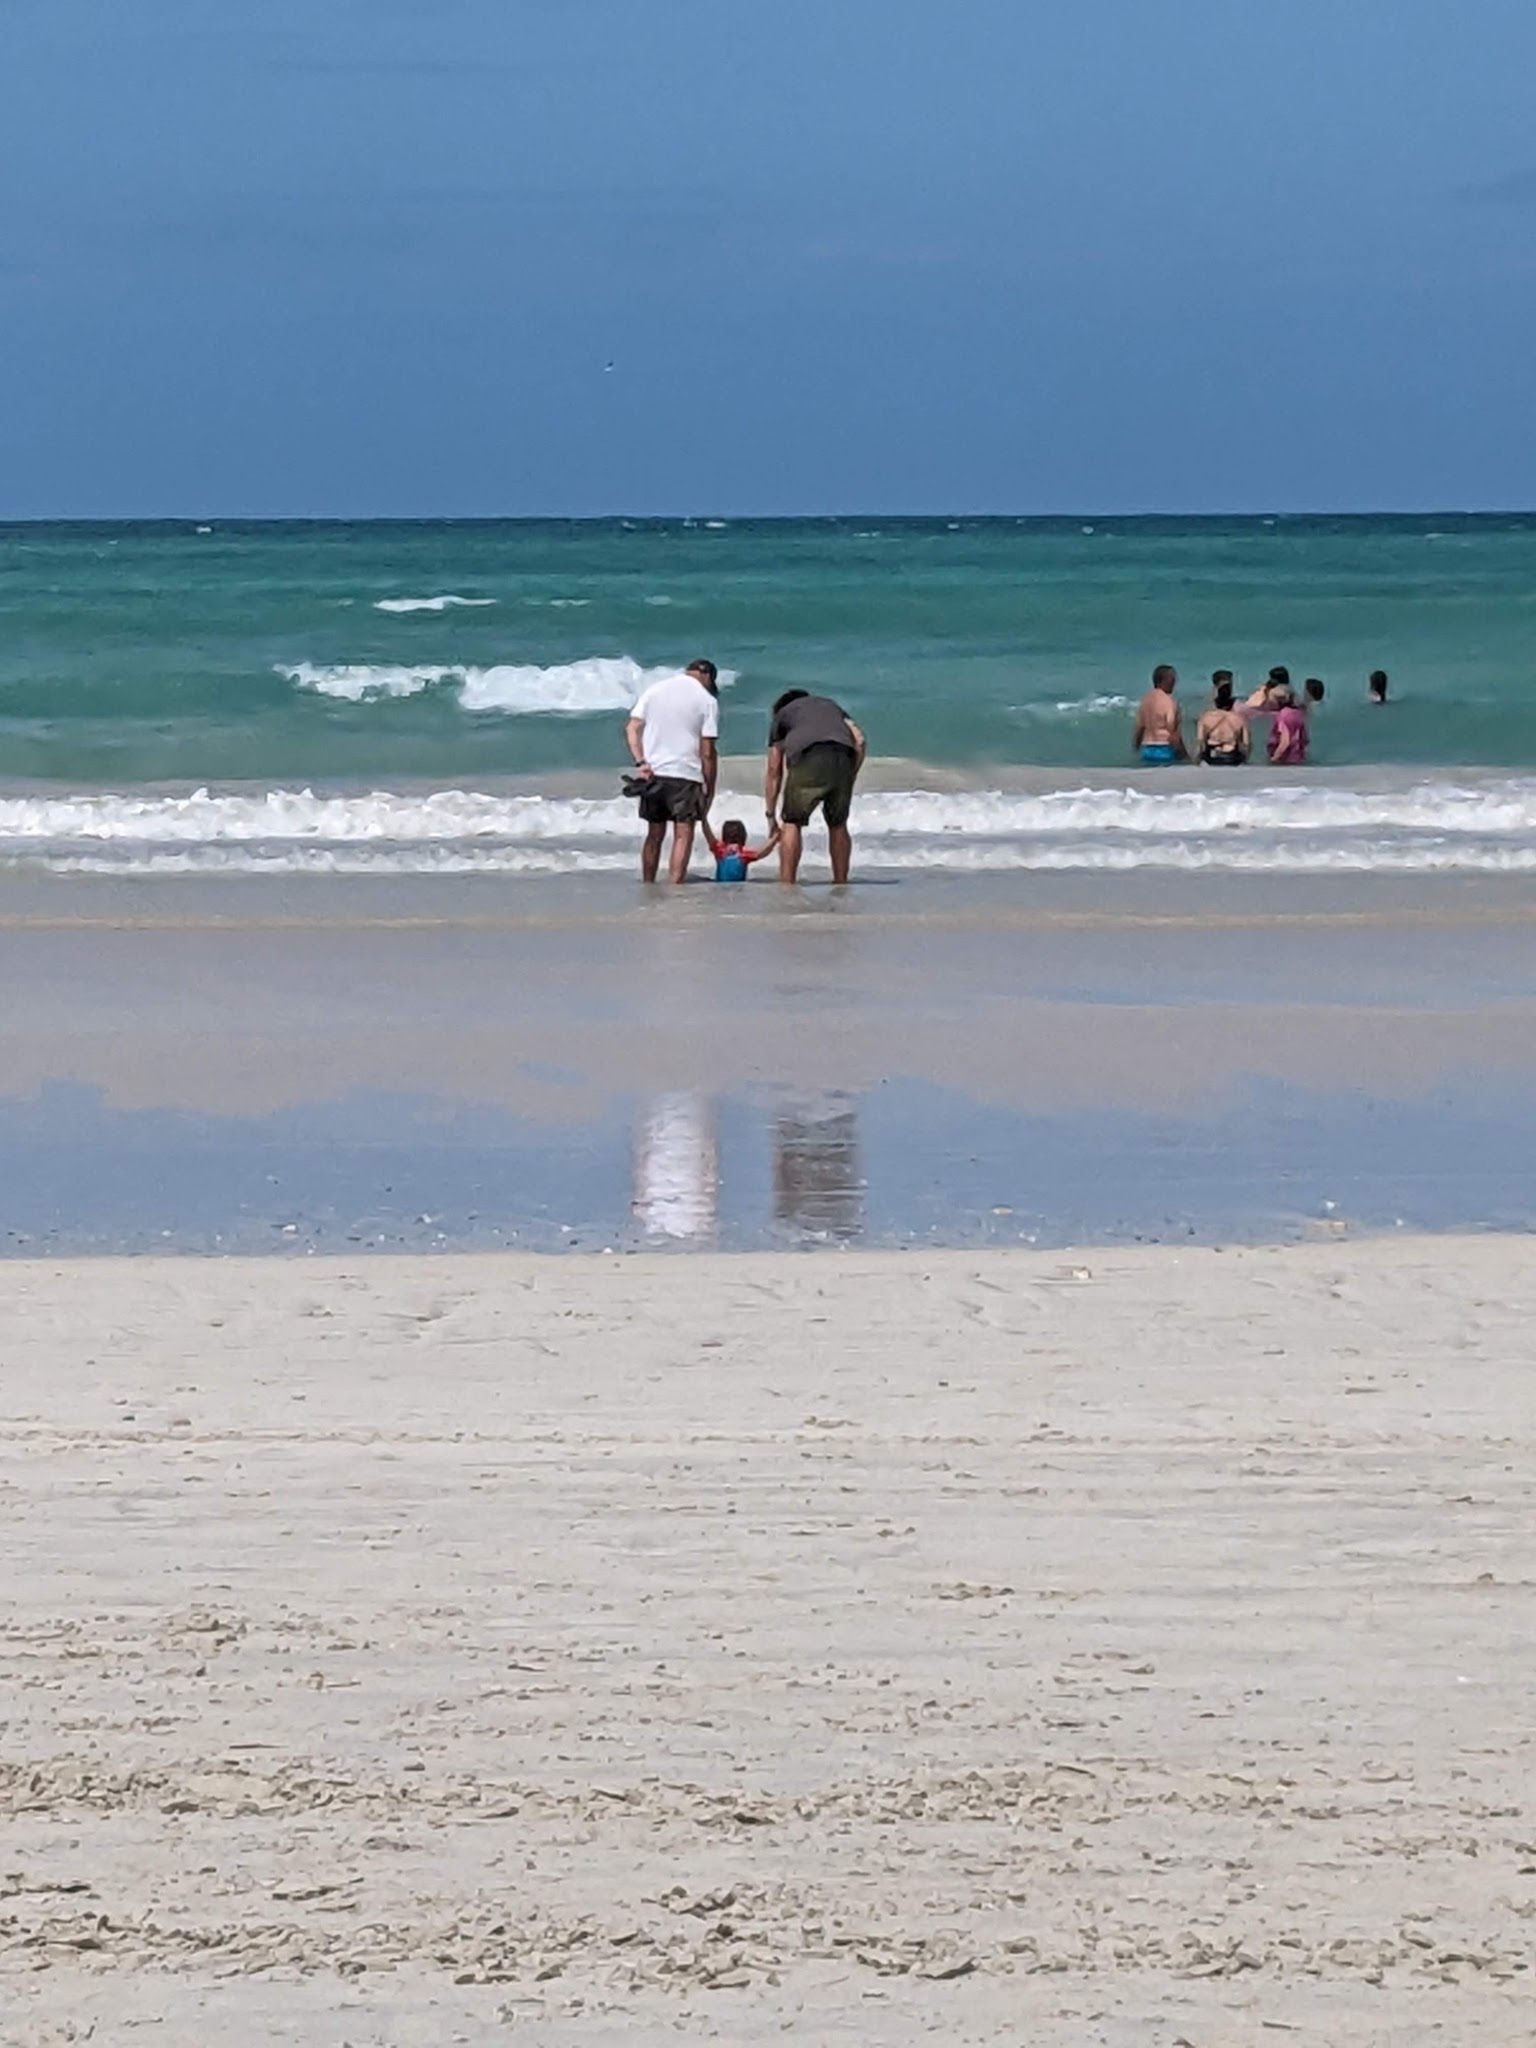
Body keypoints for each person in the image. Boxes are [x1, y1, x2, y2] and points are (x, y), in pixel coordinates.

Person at [624, 658, 719, 883]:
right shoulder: (707, 700)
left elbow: (632, 728)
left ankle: (649, 882)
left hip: (654, 773)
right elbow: (707, 751)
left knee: (654, 833)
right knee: (683, 834)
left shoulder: (655, 690)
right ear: (707, 677)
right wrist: (709, 785)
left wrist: (641, 762)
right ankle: (675, 884)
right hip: (685, 774)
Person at [764, 690, 866, 884]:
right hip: (844, 755)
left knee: (792, 822)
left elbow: (773, 769)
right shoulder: (832, 706)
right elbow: (860, 740)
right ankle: (840, 882)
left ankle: (787, 883)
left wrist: (770, 814)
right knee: (838, 824)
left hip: (810, 755)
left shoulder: (783, 714)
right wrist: (851, 773)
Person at [1131, 665, 1186, 764]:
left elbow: (1140, 727)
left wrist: (1136, 747)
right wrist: (1183, 755)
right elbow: (1172, 730)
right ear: (1163, 680)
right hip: (1165, 749)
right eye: (1172, 679)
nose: (1175, 682)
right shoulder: (1169, 701)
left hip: (1147, 749)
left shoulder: (1145, 700)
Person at [703, 816, 779, 882]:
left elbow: (708, 835)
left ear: (724, 836)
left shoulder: (719, 851)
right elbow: (763, 852)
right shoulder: (743, 855)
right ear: (744, 836)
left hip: (719, 886)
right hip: (739, 888)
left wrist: (703, 819)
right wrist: (775, 838)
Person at [1195, 680, 1250, 766]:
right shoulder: (1240, 719)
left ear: (1216, 702)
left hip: (1212, 756)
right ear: (1231, 703)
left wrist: (1196, 761)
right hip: (1232, 757)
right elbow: (1246, 745)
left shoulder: (1205, 717)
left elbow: (1200, 742)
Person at [1267, 686, 1309, 765]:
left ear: (1277, 701)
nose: (1268, 702)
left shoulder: (1282, 716)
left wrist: (1274, 758)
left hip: (1285, 760)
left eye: (1270, 699)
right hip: (1298, 757)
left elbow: (1285, 742)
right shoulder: (1297, 713)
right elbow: (1305, 739)